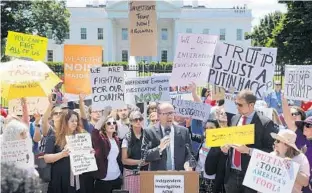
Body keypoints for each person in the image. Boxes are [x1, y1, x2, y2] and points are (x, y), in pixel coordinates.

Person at [221, 89, 278, 193]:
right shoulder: (234, 118)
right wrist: (226, 148)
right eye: (236, 104)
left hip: (251, 176)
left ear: (251, 105)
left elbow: (271, 151)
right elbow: (231, 142)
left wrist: (249, 151)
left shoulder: (265, 123)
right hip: (232, 174)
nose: (237, 107)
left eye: (240, 105)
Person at [141, 102, 193, 171]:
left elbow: (190, 155)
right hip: (158, 178)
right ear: (158, 115)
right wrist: (159, 148)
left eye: (171, 113)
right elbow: (144, 156)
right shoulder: (149, 132)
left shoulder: (184, 131)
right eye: (166, 114)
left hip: (179, 177)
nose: (170, 116)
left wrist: (188, 163)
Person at [43, 110, 85, 193]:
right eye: (72, 121)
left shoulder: (80, 138)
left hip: (77, 179)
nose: (75, 123)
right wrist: (62, 154)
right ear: (65, 122)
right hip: (60, 180)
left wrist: (89, 153)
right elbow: (46, 158)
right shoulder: (53, 137)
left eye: (76, 121)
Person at [92, 107, 123, 193]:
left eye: (114, 123)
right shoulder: (101, 140)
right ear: (104, 126)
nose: (112, 124)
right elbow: (94, 132)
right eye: (109, 123)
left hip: (116, 177)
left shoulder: (117, 139)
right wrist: (104, 115)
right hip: (104, 180)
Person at [194, 119, 226, 193]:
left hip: (211, 181)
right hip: (199, 177)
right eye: (206, 128)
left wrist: (216, 187)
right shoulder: (204, 140)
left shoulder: (221, 145)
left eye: (211, 128)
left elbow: (221, 169)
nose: (208, 130)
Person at [122, 111, 148, 193]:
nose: (138, 121)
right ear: (130, 122)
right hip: (130, 174)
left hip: (146, 173)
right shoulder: (126, 138)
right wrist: (141, 162)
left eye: (140, 119)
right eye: (135, 119)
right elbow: (124, 160)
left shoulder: (148, 135)